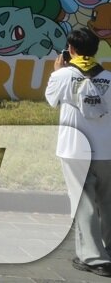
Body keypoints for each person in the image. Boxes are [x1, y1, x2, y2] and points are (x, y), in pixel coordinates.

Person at [46, 26, 111, 277]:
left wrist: (57, 72)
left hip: (75, 149)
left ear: (70, 50)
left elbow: (51, 100)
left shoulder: (62, 76)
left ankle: (93, 258)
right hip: (107, 149)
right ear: (96, 49)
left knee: (84, 204)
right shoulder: (108, 77)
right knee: (107, 202)